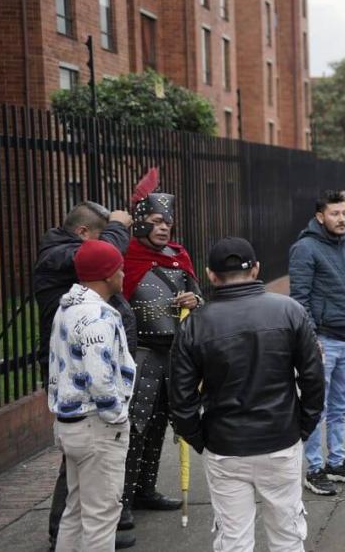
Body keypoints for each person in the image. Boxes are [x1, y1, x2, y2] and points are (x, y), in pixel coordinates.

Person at [169, 237, 325, 552]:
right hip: (279, 438)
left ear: (211, 275)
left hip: (225, 445)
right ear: (256, 269)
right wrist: (302, 427)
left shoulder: (196, 324)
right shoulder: (290, 311)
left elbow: (181, 397)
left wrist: (201, 439)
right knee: (288, 537)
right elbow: (313, 378)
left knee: (233, 540)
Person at [33, 202, 137, 549]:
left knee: (75, 511)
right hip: (97, 425)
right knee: (101, 516)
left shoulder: (68, 308)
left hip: (71, 420)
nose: (124, 275)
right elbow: (99, 376)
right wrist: (117, 415)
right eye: (121, 269)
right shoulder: (96, 318)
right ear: (108, 275)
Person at [120, 188, 201, 527]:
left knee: (157, 428)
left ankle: (145, 490)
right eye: (156, 222)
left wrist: (195, 300)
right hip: (139, 353)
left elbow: (199, 297)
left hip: (172, 354)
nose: (164, 228)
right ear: (140, 223)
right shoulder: (125, 257)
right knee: (133, 429)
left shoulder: (178, 255)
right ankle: (121, 500)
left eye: (168, 222)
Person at [289, 191, 345, 496]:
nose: (341, 219)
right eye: (334, 214)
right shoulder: (305, 249)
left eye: (344, 213)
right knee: (315, 408)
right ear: (320, 216)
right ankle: (313, 468)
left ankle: (336, 462)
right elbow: (299, 300)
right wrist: (310, 339)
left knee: (339, 406)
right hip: (322, 340)